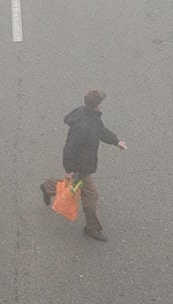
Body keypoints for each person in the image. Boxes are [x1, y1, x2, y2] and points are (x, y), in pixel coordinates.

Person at [40, 90, 126, 241]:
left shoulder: (89, 116)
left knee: (74, 185)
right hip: (81, 166)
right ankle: (91, 228)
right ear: (96, 106)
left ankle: (49, 187)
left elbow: (101, 131)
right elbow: (70, 148)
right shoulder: (84, 126)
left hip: (83, 164)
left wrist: (116, 141)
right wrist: (69, 169)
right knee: (91, 195)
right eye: (101, 102)